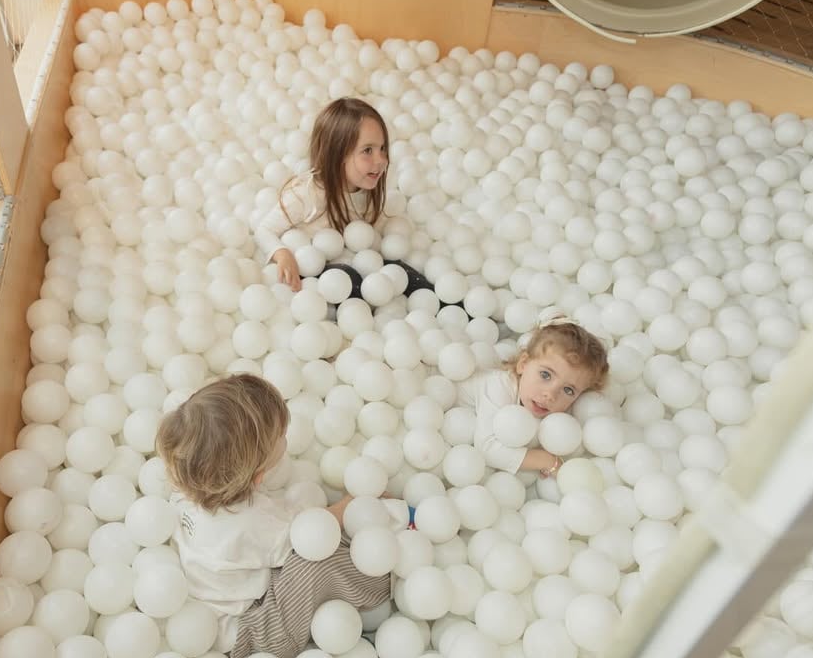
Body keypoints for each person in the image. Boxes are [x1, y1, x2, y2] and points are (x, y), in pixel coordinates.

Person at [157, 373, 391, 658]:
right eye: (280, 436)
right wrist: (353, 501)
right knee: (314, 564)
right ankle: (385, 581)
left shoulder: (184, 481)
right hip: (252, 637)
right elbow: (312, 533)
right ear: (256, 477)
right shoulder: (250, 521)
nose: (285, 437)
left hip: (199, 623)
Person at [253, 96, 434, 301]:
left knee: (398, 269)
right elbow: (264, 230)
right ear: (337, 155)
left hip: (354, 259)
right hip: (315, 271)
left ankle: (439, 302)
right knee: (348, 276)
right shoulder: (307, 194)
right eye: (368, 151)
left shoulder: (363, 188)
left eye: (382, 148)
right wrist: (282, 253)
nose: (381, 160)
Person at [460, 311, 610, 478]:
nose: (550, 395)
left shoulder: (548, 411)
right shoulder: (499, 385)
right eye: (545, 375)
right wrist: (547, 461)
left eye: (568, 390)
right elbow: (487, 449)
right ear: (523, 364)